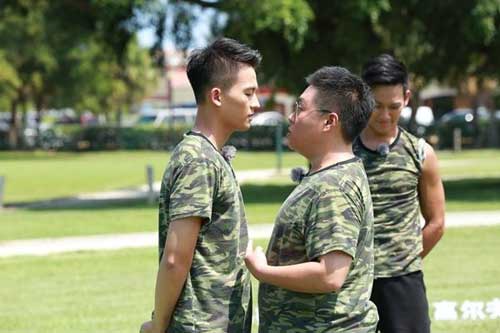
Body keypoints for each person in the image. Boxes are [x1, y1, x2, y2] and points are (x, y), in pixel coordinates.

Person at [140, 37, 261, 333]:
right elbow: (175, 258)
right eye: (248, 93)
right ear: (217, 96)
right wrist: (158, 325)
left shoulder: (211, 156)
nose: (256, 104)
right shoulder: (198, 160)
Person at [245, 66, 378, 332]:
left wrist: (262, 271)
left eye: (300, 108)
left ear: (329, 121)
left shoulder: (333, 186)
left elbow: (330, 274)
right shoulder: (328, 177)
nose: (292, 117)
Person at [353, 54, 446, 333]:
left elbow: (436, 223)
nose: (384, 115)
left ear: (406, 98)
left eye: (393, 106)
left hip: (403, 281)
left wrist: (403, 259)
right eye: (376, 105)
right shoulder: (339, 151)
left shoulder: (421, 153)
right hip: (351, 280)